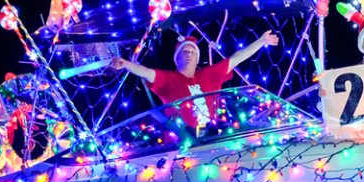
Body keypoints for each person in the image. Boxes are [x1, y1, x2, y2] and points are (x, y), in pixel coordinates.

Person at [110, 30, 279, 130]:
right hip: (183, 139)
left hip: (213, 132)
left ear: (198, 58)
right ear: (176, 58)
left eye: (192, 52)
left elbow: (236, 58)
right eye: (185, 52)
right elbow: (145, 72)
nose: (189, 54)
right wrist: (125, 64)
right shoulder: (167, 79)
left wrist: (261, 41)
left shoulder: (208, 75)